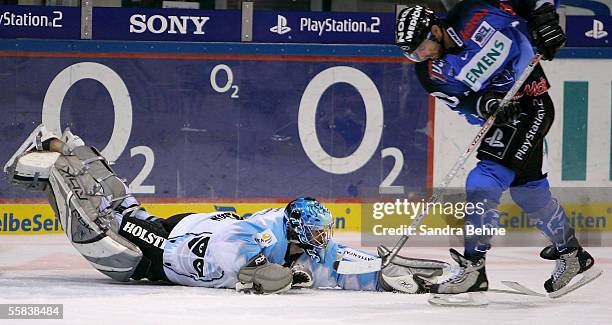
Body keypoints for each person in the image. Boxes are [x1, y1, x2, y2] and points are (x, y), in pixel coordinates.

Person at [4, 124, 453, 294]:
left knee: (123, 202)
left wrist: (386, 274)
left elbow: (335, 262)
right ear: (295, 229)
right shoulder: (257, 242)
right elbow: (255, 275)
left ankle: (67, 149)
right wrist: (286, 276)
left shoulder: (291, 232)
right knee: (111, 219)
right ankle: (55, 160)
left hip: (191, 228)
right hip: (163, 251)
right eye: (316, 234)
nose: (322, 241)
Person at [394, 0, 601, 304]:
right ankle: (572, 254)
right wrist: (485, 104)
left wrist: (543, 19)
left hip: (532, 105)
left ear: (435, 29)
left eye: (421, 47)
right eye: (412, 53)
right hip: (506, 117)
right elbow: (463, 102)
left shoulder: (474, 12)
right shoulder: (431, 74)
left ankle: (474, 268)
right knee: (529, 193)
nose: (420, 56)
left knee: (483, 181)